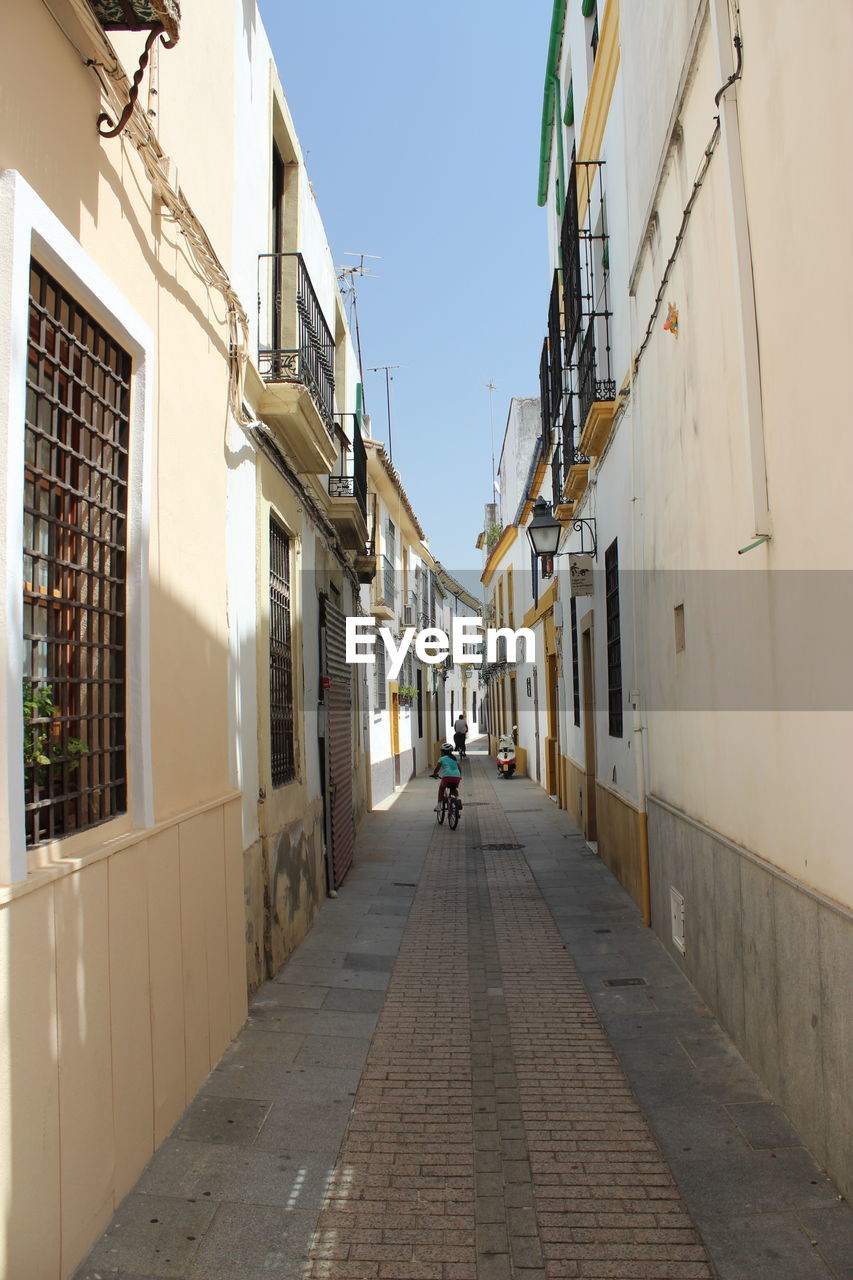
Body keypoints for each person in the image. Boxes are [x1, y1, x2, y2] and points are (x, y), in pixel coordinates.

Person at [432, 742, 462, 812]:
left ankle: (439, 805)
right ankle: (457, 800)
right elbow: (459, 768)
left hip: (447, 777)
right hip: (457, 777)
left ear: (443, 752)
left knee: (441, 789)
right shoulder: (454, 758)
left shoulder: (442, 758)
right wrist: (459, 776)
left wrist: (434, 774)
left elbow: (437, 768)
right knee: (453, 789)